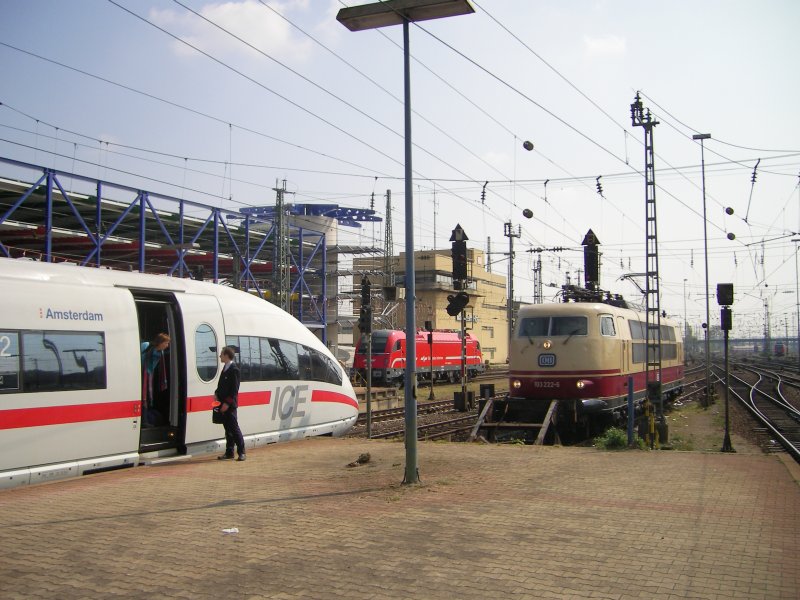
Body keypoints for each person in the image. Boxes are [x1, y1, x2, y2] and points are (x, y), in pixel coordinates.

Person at [215, 346, 245, 461]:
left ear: (227, 355)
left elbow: (234, 390)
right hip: (222, 403)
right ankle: (229, 452)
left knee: (234, 428)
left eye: (221, 354)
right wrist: (216, 393)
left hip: (230, 405)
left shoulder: (234, 370)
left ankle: (242, 452)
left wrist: (227, 403)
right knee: (227, 429)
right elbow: (221, 385)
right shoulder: (225, 368)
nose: (220, 356)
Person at [141, 333, 170, 427]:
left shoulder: (160, 353)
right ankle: (144, 421)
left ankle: (145, 419)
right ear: (160, 342)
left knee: (148, 396)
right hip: (142, 374)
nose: (167, 345)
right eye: (166, 343)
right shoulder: (146, 345)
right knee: (143, 396)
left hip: (150, 376)